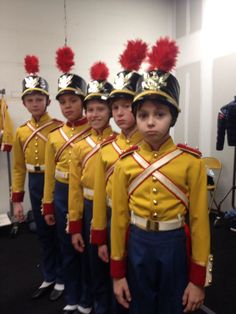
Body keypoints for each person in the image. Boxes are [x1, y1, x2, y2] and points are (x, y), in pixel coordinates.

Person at [110, 37, 212, 314]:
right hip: (138, 242)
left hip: (175, 245)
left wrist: (199, 279)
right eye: (143, 114)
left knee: (173, 305)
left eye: (160, 113)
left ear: (173, 117)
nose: (151, 121)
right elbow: (119, 217)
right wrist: (117, 272)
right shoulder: (125, 164)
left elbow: (200, 221)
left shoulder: (192, 163)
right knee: (139, 305)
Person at [90, 39, 147, 313]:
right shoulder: (106, 148)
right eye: (116, 108)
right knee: (114, 280)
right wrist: (100, 236)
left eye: (127, 106)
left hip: (139, 226)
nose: (121, 113)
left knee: (140, 283)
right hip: (113, 219)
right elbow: (100, 200)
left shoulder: (151, 149)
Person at [42, 46, 91, 314]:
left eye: (73, 100)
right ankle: (72, 294)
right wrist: (48, 205)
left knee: (86, 247)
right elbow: (49, 174)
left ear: (83, 101)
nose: (68, 106)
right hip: (62, 194)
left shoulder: (95, 131)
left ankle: (87, 296)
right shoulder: (54, 136)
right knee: (66, 246)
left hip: (85, 195)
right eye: (63, 102)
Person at [12, 55, 64, 300]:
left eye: (39, 99)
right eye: (30, 100)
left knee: (58, 232)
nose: (35, 103)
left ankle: (63, 278)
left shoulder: (58, 127)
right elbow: (19, 167)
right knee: (42, 232)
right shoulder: (21, 132)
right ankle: (49, 274)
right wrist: (17, 199)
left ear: (47, 100)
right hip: (34, 183)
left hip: (54, 184)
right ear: (24, 103)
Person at [68, 61, 115, 314]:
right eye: (90, 109)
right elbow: (74, 188)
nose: (95, 114)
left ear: (110, 111)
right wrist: (75, 225)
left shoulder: (120, 143)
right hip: (88, 208)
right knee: (91, 261)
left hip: (111, 209)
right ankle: (96, 304)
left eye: (100, 109)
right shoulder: (79, 146)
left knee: (114, 260)